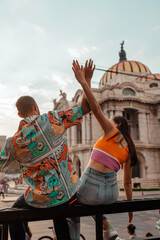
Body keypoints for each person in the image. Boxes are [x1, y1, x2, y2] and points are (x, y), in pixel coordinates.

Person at [0, 82, 91, 240]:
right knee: (59, 215)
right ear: (35, 107)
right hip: (67, 192)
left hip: (41, 197)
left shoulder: (12, 142)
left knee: (14, 212)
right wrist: (85, 81)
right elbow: (85, 108)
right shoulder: (52, 118)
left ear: (20, 115)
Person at [72, 59, 138, 240]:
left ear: (117, 125)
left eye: (110, 121)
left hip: (91, 190)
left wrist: (84, 82)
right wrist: (130, 212)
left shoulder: (111, 132)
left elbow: (95, 107)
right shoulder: (130, 148)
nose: (105, 124)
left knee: (69, 200)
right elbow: (127, 184)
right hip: (111, 194)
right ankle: (110, 231)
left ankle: (71, 237)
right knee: (89, 201)